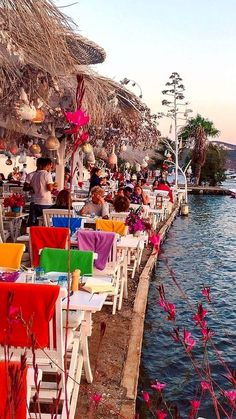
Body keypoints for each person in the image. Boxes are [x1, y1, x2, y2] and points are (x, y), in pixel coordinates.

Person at [29, 158, 57, 225]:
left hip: (36, 202)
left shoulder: (34, 175)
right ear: (48, 165)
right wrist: (54, 186)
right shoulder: (47, 174)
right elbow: (50, 188)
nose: (51, 167)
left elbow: (32, 188)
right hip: (45, 202)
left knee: (38, 222)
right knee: (47, 222)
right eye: (51, 165)